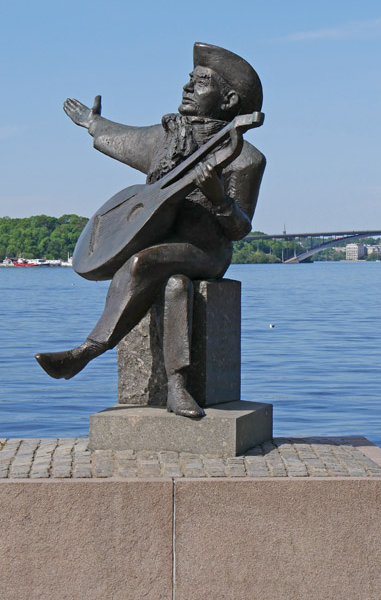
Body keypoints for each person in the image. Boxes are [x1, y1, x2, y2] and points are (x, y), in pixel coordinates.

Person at [36, 43, 265, 418]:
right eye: (188, 80)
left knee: (142, 262)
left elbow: (239, 228)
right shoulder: (166, 139)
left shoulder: (246, 157)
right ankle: (176, 387)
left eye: (201, 83)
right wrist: (92, 123)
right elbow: (122, 137)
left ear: (229, 100)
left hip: (207, 250)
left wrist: (219, 198)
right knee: (175, 284)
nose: (188, 87)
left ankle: (87, 350)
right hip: (165, 249)